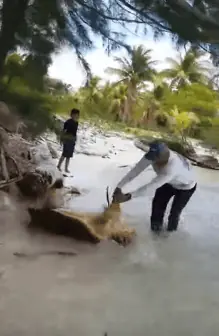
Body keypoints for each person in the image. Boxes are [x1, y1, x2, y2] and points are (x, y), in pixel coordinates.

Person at [112, 140, 197, 232]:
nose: (152, 161)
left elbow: (151, 187)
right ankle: (155, 234)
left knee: (174, 213)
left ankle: (170, 237)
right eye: (151, 158)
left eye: (155, 159)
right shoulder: (152, 156)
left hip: (186, 187)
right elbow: (136, 171)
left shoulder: (172, 168)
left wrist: (128, 197)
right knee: (157, 206)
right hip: (168, 183)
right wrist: (119, 186)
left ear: (163, 158)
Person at [57, 108, 79, 173]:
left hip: (72, 140)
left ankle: (66, 168)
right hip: (67, 139)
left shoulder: (76, 123)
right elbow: (63, 131)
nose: (76, 116)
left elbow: (75, 132)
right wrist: (61, 139)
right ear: (71, 115)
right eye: (75, 115)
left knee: (69, 155)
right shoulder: (68, 122)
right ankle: (58, 166)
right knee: (64, 154)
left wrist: (75, 139)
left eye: (77, 115)